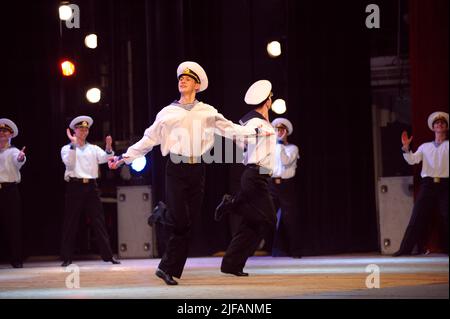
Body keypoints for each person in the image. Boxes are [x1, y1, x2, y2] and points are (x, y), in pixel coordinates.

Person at [108, 61, 267, 285]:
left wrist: (256, 131)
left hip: (198, 169)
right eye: (180, 78)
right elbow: (148, 140)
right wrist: (124, 158)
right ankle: (163, 216)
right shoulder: (167, 112)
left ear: (197, 85)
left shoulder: (207, 112)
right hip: (175, 168)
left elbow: (232, 129)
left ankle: (167, 268)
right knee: (180, 221)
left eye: (188, 78)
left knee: (188, 223)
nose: (182, 80)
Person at [215, 80, 277, 276]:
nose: (271, 99)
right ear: (267, 100)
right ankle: (232, 203)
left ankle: (232, 264)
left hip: (259, 176)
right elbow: (239, 134)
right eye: (271, 97)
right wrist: (255, 134)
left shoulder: (264, 122)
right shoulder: (255, 122)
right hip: (254, 176)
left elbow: (242, 143)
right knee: (269, 218)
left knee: (253, 224)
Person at [60, 116, 120, 267]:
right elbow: (69, 163)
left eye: (86, 129)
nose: (84, 132)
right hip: (75, 186)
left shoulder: (92, 148)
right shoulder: (66, 149)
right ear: (74, 131)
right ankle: (67, 257)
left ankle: (108, 256)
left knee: (99, 222)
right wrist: (74, 146)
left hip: (91, 187)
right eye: (81, 129)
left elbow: (106, 158)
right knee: (71, 223)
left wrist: (108, 147)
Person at [393, 111, 449, 256]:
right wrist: (406, 148)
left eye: (442, 123)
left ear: (446, 127)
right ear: (433, 127)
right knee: (417, 215)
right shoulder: (425, 147)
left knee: (447, 216)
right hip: (427, 184)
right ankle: (404, 250)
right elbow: (412, 160)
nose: (439, 124)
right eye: (437, 123)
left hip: (445, 185)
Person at [269, 117, 301, 258]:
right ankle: (275, 250)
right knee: (266, 216)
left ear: (287, 132)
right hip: (271, 185)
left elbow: (286, 161)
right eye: (276, 129)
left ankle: (294, 251)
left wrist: (280, 143)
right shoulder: (270, 148)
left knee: (289, 219)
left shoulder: (292, 148)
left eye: (282, 130)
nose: (279, 132)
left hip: (286, 185)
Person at [0, 118, 26, 268]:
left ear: (10, 135)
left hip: (10, 190)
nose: (2, 134)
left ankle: (16, 259)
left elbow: (19, 160)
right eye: (0, 131)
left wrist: (21, 158)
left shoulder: (14, 151)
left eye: (5, 131)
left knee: (13, 225)